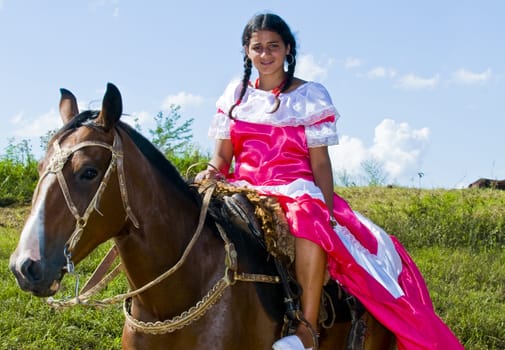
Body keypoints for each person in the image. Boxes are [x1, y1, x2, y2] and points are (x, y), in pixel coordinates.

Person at [196, 12, 464, 350]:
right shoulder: (234, 96)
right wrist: (210, 171)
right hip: (244, 186)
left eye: (273, 46)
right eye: (257, 48)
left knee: (308, 221)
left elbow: (320, 162)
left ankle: (307, 329)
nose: (265, 55)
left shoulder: (309, 96)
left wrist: (326, 209)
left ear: (288, 49)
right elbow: (222, 157)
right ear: (247, 52)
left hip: (295, 186)